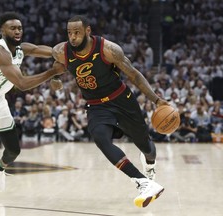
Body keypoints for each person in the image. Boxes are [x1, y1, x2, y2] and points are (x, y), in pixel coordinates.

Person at [52, 15, 169, 208]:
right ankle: (143, 182)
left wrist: (156, 100)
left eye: (77, 33)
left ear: (87, 31)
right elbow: (56, 68)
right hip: (96, 105)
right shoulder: (61, 51)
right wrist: (54, 80)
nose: (72, 37)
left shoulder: (109, 49)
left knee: (146, 147)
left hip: (121, 100)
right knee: (100, 138)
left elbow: (134, 75)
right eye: (69, 33)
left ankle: (150, 164)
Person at [0, 12, 65, 206]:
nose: (17, 31)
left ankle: (0, 167)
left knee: (14, 150)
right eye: (12, 28)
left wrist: (68, 53)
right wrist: (53, 72)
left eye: (19, 28)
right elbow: (22, 84)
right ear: (2, 30)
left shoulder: (21, 49)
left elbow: (48, 51)